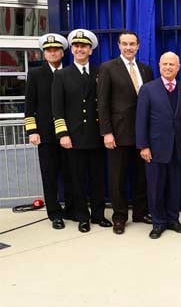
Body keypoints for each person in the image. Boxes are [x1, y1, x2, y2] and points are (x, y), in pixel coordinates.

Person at [52, 28, 112, 233]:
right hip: (74, 137)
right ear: (72, 50)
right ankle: (82, 217)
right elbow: (57, 108)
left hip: (96, 135)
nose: (80, 49)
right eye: (76, 46)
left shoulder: (100, 72)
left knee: (98, 179)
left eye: (84, 46)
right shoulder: (62, 75)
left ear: (90, 50)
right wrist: (63, 134)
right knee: (77, 180)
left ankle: (98, 215)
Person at [97, 31, 153, 235]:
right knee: (117, 178)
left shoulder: (146, 70)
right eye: (125, 44)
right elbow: (102, 103)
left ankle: (140, 212)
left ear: (138, 46)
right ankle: (119, 217)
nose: (128, 47)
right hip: (118, 134)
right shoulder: (108, 68)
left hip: (142, 135)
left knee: (141, 177)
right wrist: (106, 132)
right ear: (118, 46)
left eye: (132, 44)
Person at [136, 51, 181, 239]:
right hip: (155, 149)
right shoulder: (148, 89)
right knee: (155, 188)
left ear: (178, 67)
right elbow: (141, 120)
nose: (168, 67)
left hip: (176, 148)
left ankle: (173, 219)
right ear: (159, 66)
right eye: (164, 64)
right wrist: (143, 146)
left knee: (174, 187)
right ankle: (158, 222)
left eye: (172, 64)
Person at [24, 33, 73, 229]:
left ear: (62, 52)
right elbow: (29, 105)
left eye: (56, 50)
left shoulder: (70, 72)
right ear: (44, 53)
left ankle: (71, 209)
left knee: (70, 174)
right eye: (48, 50)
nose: (52, 53)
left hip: (68, 134)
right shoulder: (36, 74)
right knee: (49, 175)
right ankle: (54, 214)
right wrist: (32, 131)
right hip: (45, 134)